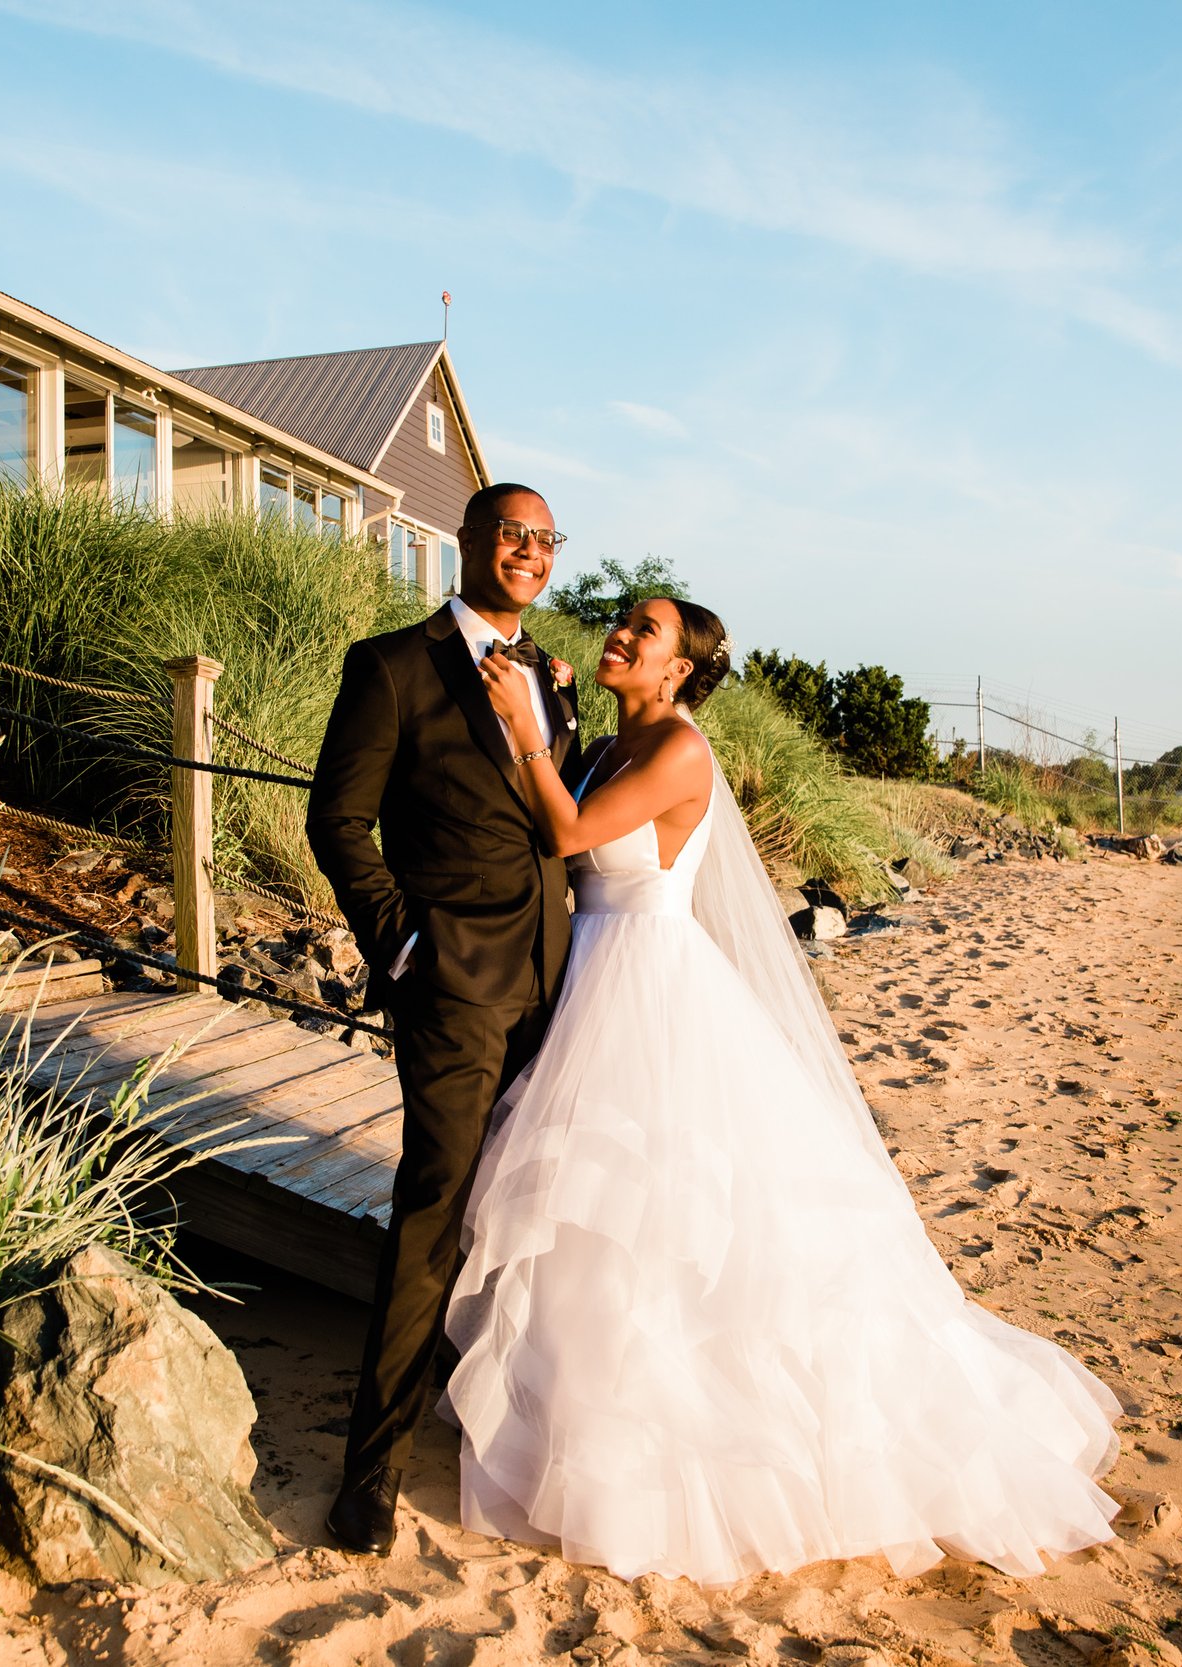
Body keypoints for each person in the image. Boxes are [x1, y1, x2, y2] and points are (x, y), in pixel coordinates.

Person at [447, 596, 1123, 1584]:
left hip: (650, 985)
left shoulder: (679, 750)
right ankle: (572, 1423)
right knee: (599, 1218)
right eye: (625, 621)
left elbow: (570, 834)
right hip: (589, 974)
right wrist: (548, 732)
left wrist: (524, 732)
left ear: (680, 671)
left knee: (666, 1216)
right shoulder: (606, 741)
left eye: (648, 632)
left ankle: (671, 1462)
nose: (622, 636)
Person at [305, 482, 583, 1554]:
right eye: (508, 532)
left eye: (542, 538)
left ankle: (505, 1431)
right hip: (453, 985)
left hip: (558, 987)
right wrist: (401, 937)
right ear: (465, 542)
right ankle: (366, 1476)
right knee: (434, 1208)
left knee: (537, 1217)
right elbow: (338, 817)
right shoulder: (393, 665)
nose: (525, 549)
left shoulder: (553, 678)